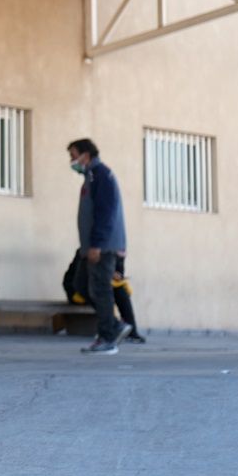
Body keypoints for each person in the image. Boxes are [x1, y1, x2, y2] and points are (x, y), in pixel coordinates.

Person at [67, 138, 133, 355]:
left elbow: (106, 212)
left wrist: (97, 244)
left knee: (100, 289)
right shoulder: (91, 177)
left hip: (102, 247)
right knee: (82, 285)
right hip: (94, 246)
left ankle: (108, 337)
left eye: (73, 155)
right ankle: (114, 326)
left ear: (86, 155)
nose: (72, 161)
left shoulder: (100, 175)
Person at [62, 250, 145, 342]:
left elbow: (118, 273)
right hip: (78, 290)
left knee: (121, 291)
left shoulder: (117, 252)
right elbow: (83, 278)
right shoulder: (89, 250)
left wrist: (118, 275)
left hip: (100, 285)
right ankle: (114, 325)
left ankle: (131, 332)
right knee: (104, 294)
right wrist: (109, 273)